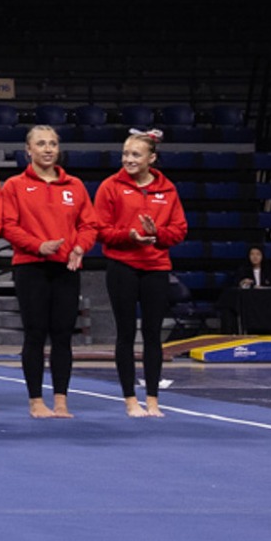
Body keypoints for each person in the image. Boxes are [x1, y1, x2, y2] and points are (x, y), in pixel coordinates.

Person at [0, 125, 97, 419]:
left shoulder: (74, 185)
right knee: (35, 334)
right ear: (28, 151)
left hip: (66, 268)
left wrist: (79, 248)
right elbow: (8, 226)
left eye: (52, 144)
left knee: (62, 335)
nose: (47, 149)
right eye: (41, 144)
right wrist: (38, 246)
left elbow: (89, 225)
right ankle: (36, 400)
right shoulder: (14, 186)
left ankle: (61, 400)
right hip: (31, 267)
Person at [95, 129, 189, 417]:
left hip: (155, 267)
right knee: (125, 333)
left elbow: (180, 230)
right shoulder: (110, 186)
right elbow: (100, 229)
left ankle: (152, 400)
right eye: (125, 154)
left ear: (152, 158)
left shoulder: (168, 189)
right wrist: (130, 237)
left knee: (152, 334)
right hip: (122, 266)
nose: (129, 159)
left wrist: (157, 234)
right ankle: (129, 400)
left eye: (136, 154)